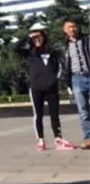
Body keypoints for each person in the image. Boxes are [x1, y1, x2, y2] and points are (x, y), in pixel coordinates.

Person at [15, 23, 75, 151]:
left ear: (44, 37)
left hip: (51, 88)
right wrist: (28, 36)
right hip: (36, 88)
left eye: (40, 37)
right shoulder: (30, 53)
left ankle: (58, 139)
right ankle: (41, 140)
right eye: (35, 38)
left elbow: (59, 67)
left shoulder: (52, 51)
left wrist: (55, 79)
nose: (38, 40)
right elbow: (16, 47)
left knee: (55, 115)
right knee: (38, 115)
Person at [62, 19, 90, 149]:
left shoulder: (87, 39)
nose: (72, 29)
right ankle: (88, 138)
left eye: (74, 26)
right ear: (64, 30)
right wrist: (68, 84)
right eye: (69, 27)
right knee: (83, 111)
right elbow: (63, 65)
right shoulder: (63, 46)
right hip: (76, 79)